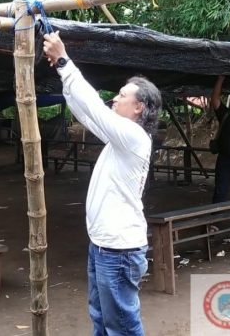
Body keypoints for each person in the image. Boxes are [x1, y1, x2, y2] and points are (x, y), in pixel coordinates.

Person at [43, 31, 161, 336]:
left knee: (121, 325)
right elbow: (87, 114)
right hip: (104, 246)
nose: (115, 98)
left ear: (139, 107)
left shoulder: (133, 136)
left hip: (118, 250)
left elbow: (94, 107)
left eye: (122, 95)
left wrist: (65, 61)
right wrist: (63, 74)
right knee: (101, 317)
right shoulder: (120, 138)